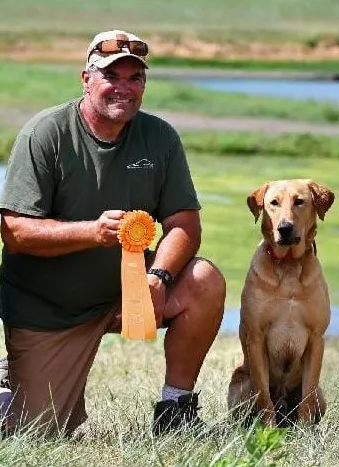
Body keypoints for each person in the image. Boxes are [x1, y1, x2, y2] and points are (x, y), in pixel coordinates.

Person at [0, 29, 226, 436]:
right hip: (52, 311)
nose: (124, 88)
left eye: (134, 78)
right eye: (112, 76)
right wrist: (94, 232)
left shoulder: (160, 137)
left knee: (203, 280)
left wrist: (159, 277)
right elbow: (16, 232)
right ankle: (12, 379)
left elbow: (184, 224)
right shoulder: (44, 134)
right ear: (86, 79)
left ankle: (176, 410)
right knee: (35, 433)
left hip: (130, 295)